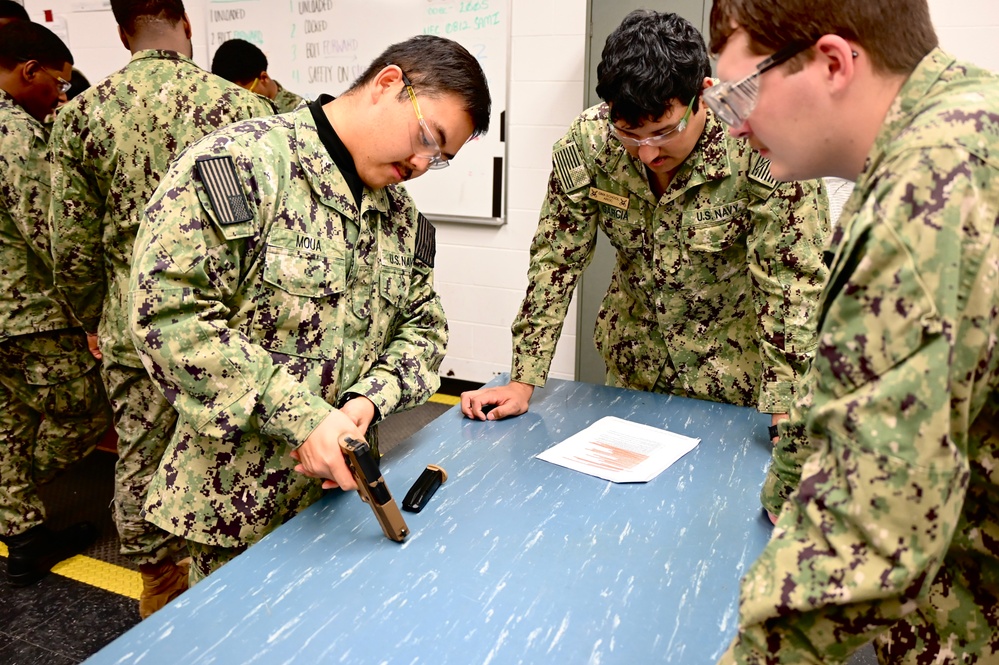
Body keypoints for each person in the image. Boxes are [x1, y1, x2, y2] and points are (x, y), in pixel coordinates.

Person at [128, 34, 491, 583]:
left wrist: (370, 398)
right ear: (388, 83)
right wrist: (304, 418)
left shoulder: (403, 219)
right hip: (238, 508)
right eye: (426, 138)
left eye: (439, 159)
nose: (421, 163)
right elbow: (170, 318)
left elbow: (424, 329)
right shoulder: (242, 165)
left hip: (344, 503)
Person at [706, 0, 999, 662]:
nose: (735, 126)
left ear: (834, 63)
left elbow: (870, 530)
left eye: (740, 95)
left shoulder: (926, 189)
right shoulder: (966, 120)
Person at [460, 10, 830, 435]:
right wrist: (523, 378)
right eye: (630, 135)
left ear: (704, 95)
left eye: (664, 132)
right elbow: (554, 262)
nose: (648, 153)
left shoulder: (759, 145)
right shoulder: (590, 143)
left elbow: (791, 282)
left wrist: (787, 405)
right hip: (634, 371)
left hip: (735, 380)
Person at [48, 0, 272, 618]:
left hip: (133, 330)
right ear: (187, 24)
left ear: (122, 32)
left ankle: (160, 588)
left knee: (141, 457)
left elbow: (70, 245)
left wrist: (97, 317)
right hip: (226, 327)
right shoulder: (245, 110)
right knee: (230, 453)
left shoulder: (82, 116)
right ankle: (235, 586)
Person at [0, 20, 113, 586]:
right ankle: (17, 492)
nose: (61, 96)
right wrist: (93, 312)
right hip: (30, 315)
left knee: (8, 423)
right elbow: (53, 236)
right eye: (59, 83)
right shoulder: (15, 134)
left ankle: (22, 534)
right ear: (30, 71)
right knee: (89, 410)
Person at [211, 38, 305, 113]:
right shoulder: (231, 113)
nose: (240, 103)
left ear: (263, 78)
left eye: (245, 95)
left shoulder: (300, 112)